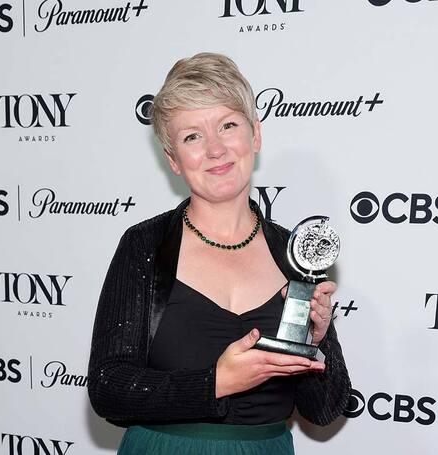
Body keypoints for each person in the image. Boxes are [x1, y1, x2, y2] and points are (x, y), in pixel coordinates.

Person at [88, 52, 350, 454]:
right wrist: (214, 383)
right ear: (173, 159)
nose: (215, 149)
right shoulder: (145, 245)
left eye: (228, 125)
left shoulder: (292, 253)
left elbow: (326, 409)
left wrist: (318, 338)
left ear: (255, 135)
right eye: (192, 136)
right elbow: (108, 387)